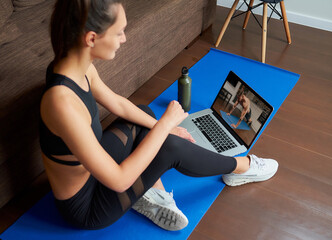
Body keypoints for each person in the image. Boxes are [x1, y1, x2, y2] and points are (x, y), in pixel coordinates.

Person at [39, 0, 278, 231]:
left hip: (92, 173)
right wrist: (164, 126)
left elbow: (119, 105)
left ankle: (151, 194)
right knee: (169, 147)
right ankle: (241, 168)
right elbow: (119, 181)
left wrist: (164, 126)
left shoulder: (75, 66)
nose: (124, 39)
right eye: (119, 32)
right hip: (88, 206)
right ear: (91, 38)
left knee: (142, 113)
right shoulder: (62, 104)